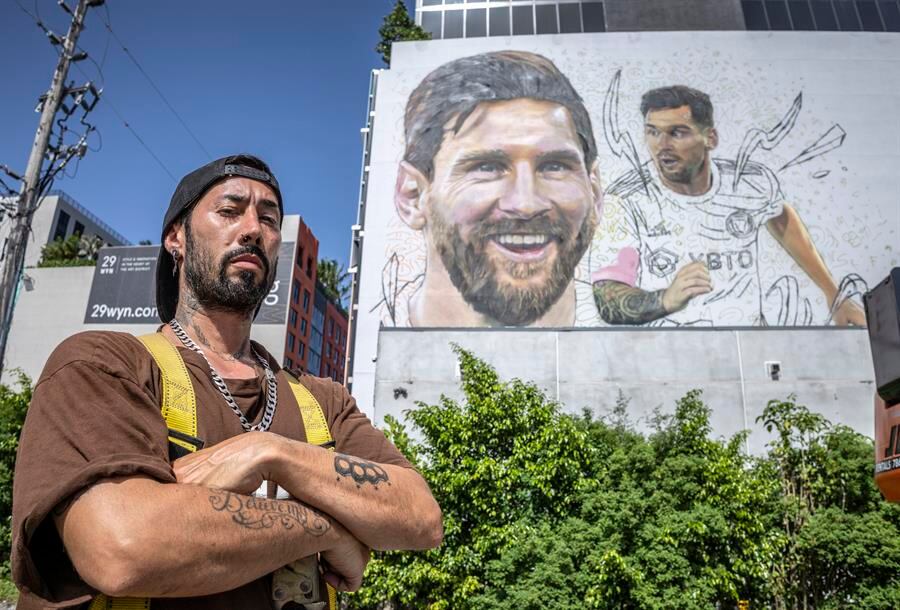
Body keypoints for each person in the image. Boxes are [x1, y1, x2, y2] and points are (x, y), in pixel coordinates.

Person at [11, 155, 443, 609]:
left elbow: (420, 516)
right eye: (230, 211)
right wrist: (328, 527)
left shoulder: (322, 400)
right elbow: (121, 548)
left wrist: (269, 452)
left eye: (269, 219)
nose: (254, 229)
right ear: (176, 237)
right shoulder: (105, 365)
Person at [593, 85, 866, 327]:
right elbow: (607, 295)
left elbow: (781, 218)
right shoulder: (626, 200)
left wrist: (834, 295)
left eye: (677, 133)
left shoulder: (750, 183)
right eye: (652, 132)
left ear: (710, 138)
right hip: (669, 358)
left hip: (751, 353)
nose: (662, 145)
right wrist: (665, 299)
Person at [390, 51, 603, 327]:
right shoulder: (370, 352)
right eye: (487, 167)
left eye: (555, 166)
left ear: (595, 194)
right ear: (413, 196)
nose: (526, 205)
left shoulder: (637, 351)